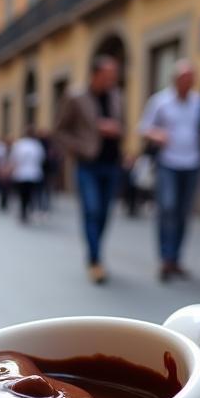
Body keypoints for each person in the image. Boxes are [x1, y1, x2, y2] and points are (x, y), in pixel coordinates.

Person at [54, 55, 125, 284]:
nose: (111, 81)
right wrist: (81, 148)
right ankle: (95, 260)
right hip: (88, 164)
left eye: (114, 76)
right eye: (107, 76)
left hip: (111, 162)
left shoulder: (116, 96)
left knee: (104, 214)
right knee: (91, 210)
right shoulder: (75, 97)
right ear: (94, 75)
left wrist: (116, 130)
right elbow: (60, 131)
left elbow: (122, 124)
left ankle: (95, 252)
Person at [139, 59, 200, 282]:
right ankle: (166, 258)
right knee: (167, 208)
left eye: (191, 78)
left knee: (183, 212)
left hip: (192, 162)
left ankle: (176, 258)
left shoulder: (199, 102)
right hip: (168, 162)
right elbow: (144, 128)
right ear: (175, 80)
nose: (188, 82)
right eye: (184, 78)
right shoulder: (160, 101)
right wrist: (157, 135)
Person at [8, 126, 45, 223]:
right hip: (33, 174)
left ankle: (23, 211)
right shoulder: (37, 145)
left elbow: (14, 158)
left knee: (22, 194)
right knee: (30, 194)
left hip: (21, 174)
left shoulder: (19, 144)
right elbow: (41, 159)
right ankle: (28, 210)